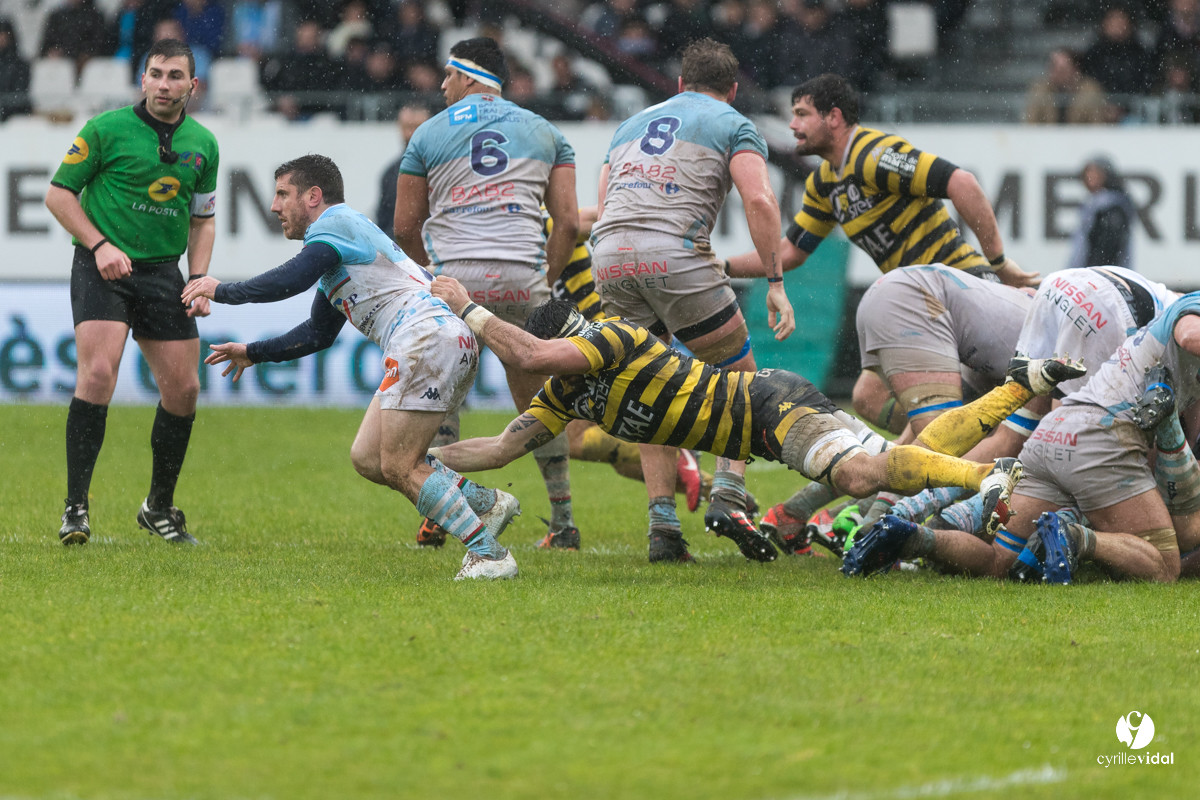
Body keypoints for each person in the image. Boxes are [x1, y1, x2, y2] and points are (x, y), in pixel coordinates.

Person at [425, 277, 1024, 565]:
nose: (567, 358)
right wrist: (424, 462)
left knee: (863, 477)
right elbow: (501, 449)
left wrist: (466, 308)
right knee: (881, 458)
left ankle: (983, 476)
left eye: (568, 347)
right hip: (757, 427)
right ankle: (1025, 387)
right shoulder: (565, 396)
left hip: (771, 406)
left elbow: (528, 354)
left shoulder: (613, 338)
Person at [181, 154, 520, 580]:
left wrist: (222, 290)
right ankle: (487, 505)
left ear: (313, 197)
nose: (274, 206)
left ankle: (489, 554)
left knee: (399, 464)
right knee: (368, 457)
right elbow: (317, 334)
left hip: (426, 339)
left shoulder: (334, 225)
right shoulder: (339, 248)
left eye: (283, 194)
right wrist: (254, 352)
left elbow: (289, 280)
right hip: (439, 338)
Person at [726, 72, 1037, 438]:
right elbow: (790, 252)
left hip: (957, 289)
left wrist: (1001, 264)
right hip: (915, 303)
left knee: (955, 402)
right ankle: (949, 450)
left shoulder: (874, 155)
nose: (792, 125)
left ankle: (943, 457)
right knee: (868, 397)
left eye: (802, 114)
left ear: (835, 117)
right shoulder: (825, 182)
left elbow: (961, 182)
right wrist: (721, 266)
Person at [590, 37, 796, 562]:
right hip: (673, 254)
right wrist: (774, 280)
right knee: (742, 381)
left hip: (610, 255)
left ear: (680, 84)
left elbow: (604, 202)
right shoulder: (733, 122)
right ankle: (728, 492)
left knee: (647, 387)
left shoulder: (631, 125)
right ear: (731, 90)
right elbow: (759, 198)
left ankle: (662, 527)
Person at [843, 268, 1187, 584]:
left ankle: (908, 526)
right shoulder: (1184, 316)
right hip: (1099, 322)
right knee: (1156, 549)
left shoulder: (1158, 307)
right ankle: (1070, 533)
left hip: (1059, 290)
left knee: (1005, 456)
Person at [392, 37, 583, 550]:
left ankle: (441, 510)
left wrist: (429, 270)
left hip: (456, 280)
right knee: (539, 404)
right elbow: (567, 222)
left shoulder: (428, 134)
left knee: (441, 397)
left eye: (448, 76)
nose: (442, 85)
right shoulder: (546, 132)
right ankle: (563, 522)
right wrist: (541, 272)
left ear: (470, 76)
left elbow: (404, 223)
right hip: (523, 281)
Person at [45, 38, 218, 546]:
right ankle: (76, 507)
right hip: (103, 267)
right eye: (156, 74)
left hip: (164, 273)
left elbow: (202, 219)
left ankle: (158, 507)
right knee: (98, 373)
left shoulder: (203, 144)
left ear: (193, 84)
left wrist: (199, 278)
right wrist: (99, 244)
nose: (164, 84)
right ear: (143, 79)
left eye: (175, 76)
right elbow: (58, 195)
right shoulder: (106, 129)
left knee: (184, 391)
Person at [1068, 156, 1136, 270]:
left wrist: (1095, 271)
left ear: (1106, 176)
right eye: (1087, 174)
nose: (1090, 178)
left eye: (1095, 174)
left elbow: (1108, 248)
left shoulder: (1111, 207)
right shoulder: (1093, 204)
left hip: (1103, 274)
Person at [375, 104, 432, 235]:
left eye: (417, 127)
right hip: (398, 249)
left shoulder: (441, 169)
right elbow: (383, 221)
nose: (411, 133)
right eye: (407, 127)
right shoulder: (389, 173)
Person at [1024, 47, 1109, 124]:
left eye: (1062, 69)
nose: (1056, 73)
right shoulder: (1040, 89)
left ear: (1075, 69)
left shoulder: (1091, 91)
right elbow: (1031, 122)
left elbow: (1097, 125)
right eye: (1053, 67)